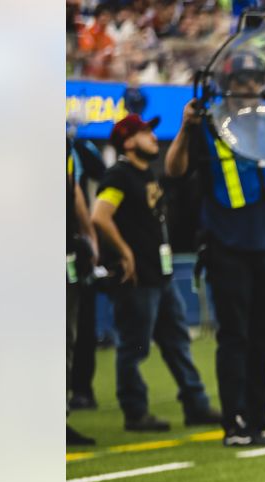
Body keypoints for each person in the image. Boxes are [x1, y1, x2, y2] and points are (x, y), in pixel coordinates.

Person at [164, 52, 265, 447]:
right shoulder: (207, 123)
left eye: (254, 78)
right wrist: (184, 128)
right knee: (234, 336)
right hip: (227, 244)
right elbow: (175, 170)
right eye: (241, 80)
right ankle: (235, 423)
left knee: (264, 336)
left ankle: (260, 417)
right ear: (227, 84)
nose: (249, 86)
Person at [93, 114, 221, 432]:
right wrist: (124, 253)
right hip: (137, 280)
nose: (152, 137)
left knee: (177, 343)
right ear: (127, 142)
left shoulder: (146, 174)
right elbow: (100, 216)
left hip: (159, 277)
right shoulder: (119, 176)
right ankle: (135, 412)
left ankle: (196, 404)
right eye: (144, 132)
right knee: (134, 348)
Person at [67, 139, 99, 447]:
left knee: (68, 339)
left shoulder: (69, 148)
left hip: (67, 256)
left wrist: (88, 238)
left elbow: (74, 190)